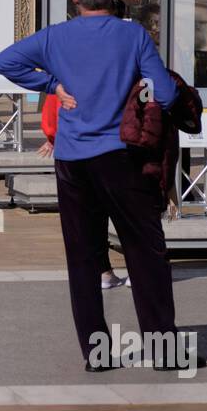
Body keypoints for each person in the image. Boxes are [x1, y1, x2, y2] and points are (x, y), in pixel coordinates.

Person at [0, 0, 184, 370]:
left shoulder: (55, 37)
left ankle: (96, 354)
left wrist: (52, 85)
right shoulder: (133, 36)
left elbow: (3, 62)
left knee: (82, 257)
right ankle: (164, 350)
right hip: (123, 158)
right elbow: (165, 95)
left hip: (73, 161)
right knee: (145, 251)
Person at [37, 90, 128, 289]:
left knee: (89, 216)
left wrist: (53, 137)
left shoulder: (62, 68)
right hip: (113, 146)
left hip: (72, 150)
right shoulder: (118, 64)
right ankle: (136, 271)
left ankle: (103, 271)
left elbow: (51, 115)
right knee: (125, 212)